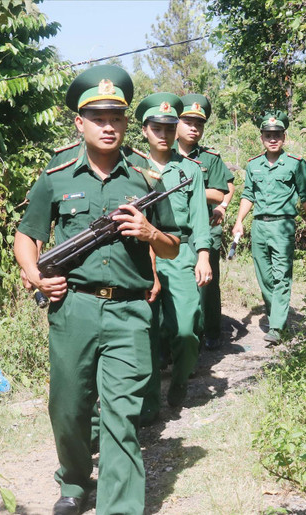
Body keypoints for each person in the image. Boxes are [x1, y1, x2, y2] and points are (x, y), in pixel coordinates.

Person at [13, 65, 180, 515]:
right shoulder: (56, 176)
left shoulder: (146, 178)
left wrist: (150, 233)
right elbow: (27, 236)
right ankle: (73, 480)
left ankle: (118, 507)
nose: (108, 127)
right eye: (98, 118)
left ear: (126, 124)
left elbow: (172, 246)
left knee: (121, 415)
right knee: (68, 408)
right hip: (74, 310)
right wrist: (35, 275)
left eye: (116, 118)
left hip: (130, 313)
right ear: (79, 123)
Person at [126, 92, 213, 422]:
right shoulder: (130, 167)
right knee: (146, 333)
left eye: (169, 128)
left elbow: (200, 217)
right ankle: (150, 403)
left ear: (176, 130)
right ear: (144, 131)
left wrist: (203, 256)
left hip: (180, 254)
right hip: (139, 257)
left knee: (186, 329)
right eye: (156, 128)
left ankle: (180, 379)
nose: (163, 134)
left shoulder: (190, 170)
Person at [231, 111, 306, 344]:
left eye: (277, 135)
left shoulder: (295, 163)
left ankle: (277, 327)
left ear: (284, 137)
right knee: (265, 277)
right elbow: (248, 195)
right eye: (268, 135)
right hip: (259, 226)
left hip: (283, 226)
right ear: (262, 137)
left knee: (281, 275)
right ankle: (278, 316)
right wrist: (239, 221)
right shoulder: (253, 165)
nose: (273, 139)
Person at [174, 93, 235, 350]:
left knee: (207, 283)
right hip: (173, 229)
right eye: (188, 122)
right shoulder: (163, 153)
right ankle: (179, 333)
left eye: (198, 124)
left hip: (206, 227)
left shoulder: (210, 157)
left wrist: (219, 205)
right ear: (177, 123)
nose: (193, 128)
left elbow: (222, 191)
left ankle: (211, 331)